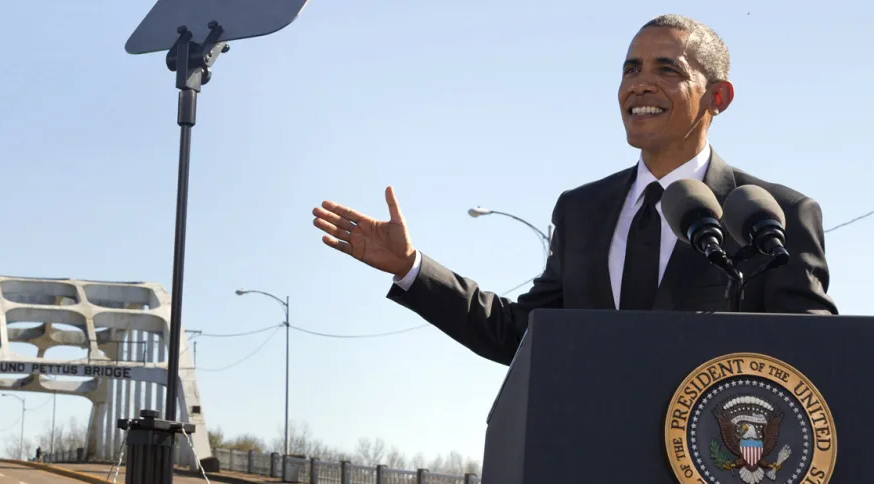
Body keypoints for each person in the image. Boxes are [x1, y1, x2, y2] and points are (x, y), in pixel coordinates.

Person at [311, 14, 837, 366]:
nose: (639, 84)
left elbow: (816, 363)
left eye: (665, 69)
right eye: (630, 69)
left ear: (717, 97)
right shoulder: (581, 211)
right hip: (588, 478)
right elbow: (521, 333)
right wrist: (411, 267)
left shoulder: (773, 214)